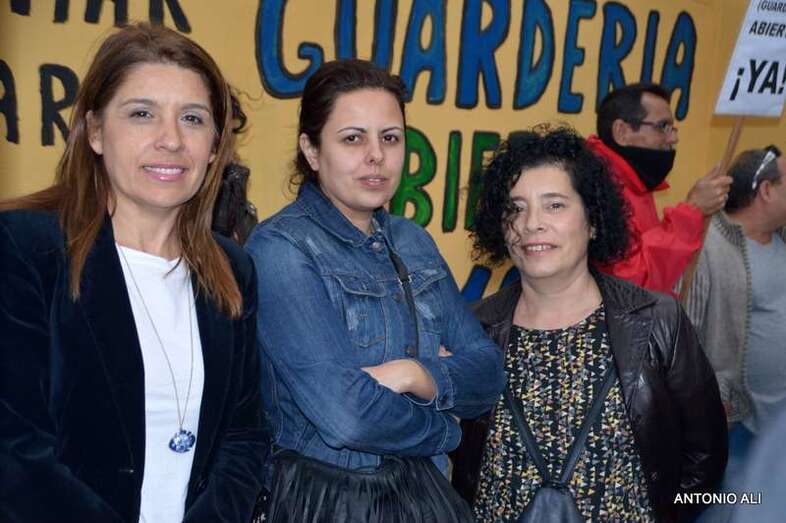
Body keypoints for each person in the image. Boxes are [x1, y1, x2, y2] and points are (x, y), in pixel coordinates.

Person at [0, 23, 268, 523]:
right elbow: (15, 451)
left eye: (192, 118)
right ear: (95, 131)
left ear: (215, 146)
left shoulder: (234, 270)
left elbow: (244, 436)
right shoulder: (25, 249)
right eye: (142, 114)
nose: (171, 140)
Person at [245, 59, 506, 522]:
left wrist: (412, 374)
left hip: (425, 498)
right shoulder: (281, 249)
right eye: (352, 139)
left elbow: (487, 373)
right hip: (325, 501)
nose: (376, 156)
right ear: (311, 150)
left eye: (390, 138)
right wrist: (446, 430)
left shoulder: (413, 241)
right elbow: (347, 417)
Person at [450, 126, 727, 522]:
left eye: (554, 205)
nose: (531, 223)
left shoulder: (656, 321)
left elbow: (705, 457)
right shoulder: (474, 329)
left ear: (593, 220)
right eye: (515, 208)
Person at [684, 146, 786, 511]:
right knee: (726, 509)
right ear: (766, 190)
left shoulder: (781, 239)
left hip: (777, 424)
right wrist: (710, 397)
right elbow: (686, 331)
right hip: (735, 423)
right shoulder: (709, 246)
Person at [587, 83, 732, 294]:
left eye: (672, 128)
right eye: (663, 126)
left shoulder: (632, 180)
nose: (674, 138)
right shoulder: (597, 189)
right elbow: (630, 286)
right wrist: (692, 210)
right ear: (622, 132)